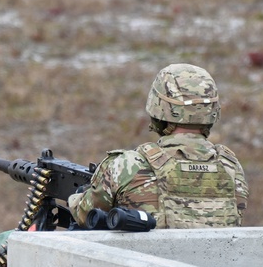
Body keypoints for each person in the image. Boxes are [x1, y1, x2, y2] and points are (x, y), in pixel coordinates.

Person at [68, 64, 248, 229]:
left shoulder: (127, 165)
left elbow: (84, 214)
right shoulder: (230, 166)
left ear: (158, 108)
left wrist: (76, 196)